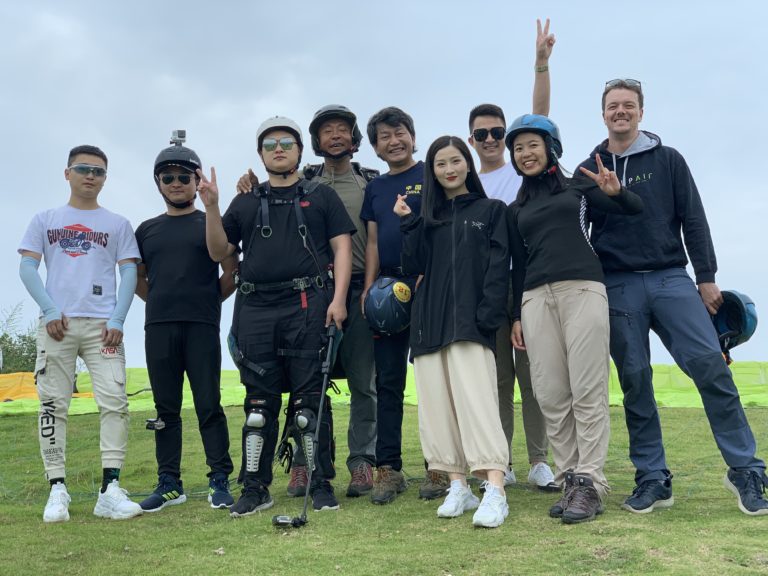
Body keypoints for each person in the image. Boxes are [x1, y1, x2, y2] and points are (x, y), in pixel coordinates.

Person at [578, 79, 768, 516]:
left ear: (641, 112)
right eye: (612, 106)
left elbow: (693, 218)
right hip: (618, 283)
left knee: (710, 367)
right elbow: (576, 227)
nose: (620, 111)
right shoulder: (589, 167)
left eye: (629, 105)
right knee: (635, 380)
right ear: (602, 113)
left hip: (670, 277)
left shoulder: (668, 159)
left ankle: (746, 470)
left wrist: (707, 278)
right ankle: (653, 478)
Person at [200, 116, 355, 516]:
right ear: (260, 154)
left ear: (300, 150)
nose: (279, 149)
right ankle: (255, 488)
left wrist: (339, 301)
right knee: (258, 406)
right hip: (254, 308)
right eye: (270, 144)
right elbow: (220, 252)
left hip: (308, 304)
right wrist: (212, 206)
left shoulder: (321, 197)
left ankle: (320, 483)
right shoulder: (246, 200)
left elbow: (341, 249)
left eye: (287, 142)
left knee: (308, 404)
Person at [506, 114, 644, 523]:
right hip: (534, 298)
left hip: (583, 288)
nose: (525, 153)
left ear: (551, 147)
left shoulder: (578, 186)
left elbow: (631, 210)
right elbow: (517, 264)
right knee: (550, 393)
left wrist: (618, 193)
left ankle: (591, 482)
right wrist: (515, 313)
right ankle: (570, 480)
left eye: (532, 144)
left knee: (587, 387)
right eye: (518, 148)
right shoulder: (517, 208)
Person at [236, 105, 379, 499]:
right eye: (326, 130)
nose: (335, 136)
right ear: (312, 143)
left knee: (364, 382)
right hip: (311, 297)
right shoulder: (306, 180)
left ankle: (362, 462)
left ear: (354, 138)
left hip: (358, 293)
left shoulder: (371, 181)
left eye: (342, 130)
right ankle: (304, 464)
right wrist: (247, 184)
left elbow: (373, 240)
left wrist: (367, 289)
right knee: (313, 383)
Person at [18, 145, 143, 522]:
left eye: (99, 171)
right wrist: (50, 309)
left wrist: (119, 318)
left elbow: (129, 273)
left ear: (105, 178)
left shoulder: (117, 224)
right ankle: (57, 489)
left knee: (115, 402)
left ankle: (111, 489)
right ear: (67, 173)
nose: (91, 176)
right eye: (83, 169)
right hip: (58, 325)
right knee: (52, 404)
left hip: (103, 327)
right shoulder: (45, 219)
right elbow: (27, 268)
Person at [395, 136, 510, 528]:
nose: (449, 169)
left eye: (455, 160)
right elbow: (412, 264)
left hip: (470, 323)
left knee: (477, 403)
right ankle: (457, 484)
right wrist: (408, 222)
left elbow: (499, 267)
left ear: (467, 164)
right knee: (436, 407)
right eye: (440, 164)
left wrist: (488, 315)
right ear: (433, 171)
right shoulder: (428, 218)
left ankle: (495, 487)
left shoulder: (491, 210)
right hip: (429, 323)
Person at [466, 18, 557, 491]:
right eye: (480, 134)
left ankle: (542, 459)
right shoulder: (464, 183)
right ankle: (499, 461)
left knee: (534, 378)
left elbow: (538, 121)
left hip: (527, 285)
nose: (489, 139)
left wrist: (540, 64)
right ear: (470, 141)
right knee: (496, 382)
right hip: (487, 293)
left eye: (496, 132)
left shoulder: (521, 171)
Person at [134, 132, 237, 512]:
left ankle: (219, 478)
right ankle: (169, 483)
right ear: (158, 183)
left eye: (183, 177)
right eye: (167, 177)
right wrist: (161, 302)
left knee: (209, 402)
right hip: (158, 326)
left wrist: (209, 300)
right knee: (165, 408)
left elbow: (232, 270)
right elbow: (139, 279)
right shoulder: (145, 230)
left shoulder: (211, 221)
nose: (176, 184)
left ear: (196, 182)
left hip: (202, 325)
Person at [361, 106, 449, 504]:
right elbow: (375, 242)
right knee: (389, 380)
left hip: (427, 284)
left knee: (432, 379)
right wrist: (368, 290)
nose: (393, 141)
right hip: (388, 291)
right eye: (384, 137)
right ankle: (388, 470)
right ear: (376, 148)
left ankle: (440, 466)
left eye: (399, 133)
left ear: (413, 136)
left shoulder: (432, 175)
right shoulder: (375, 188)